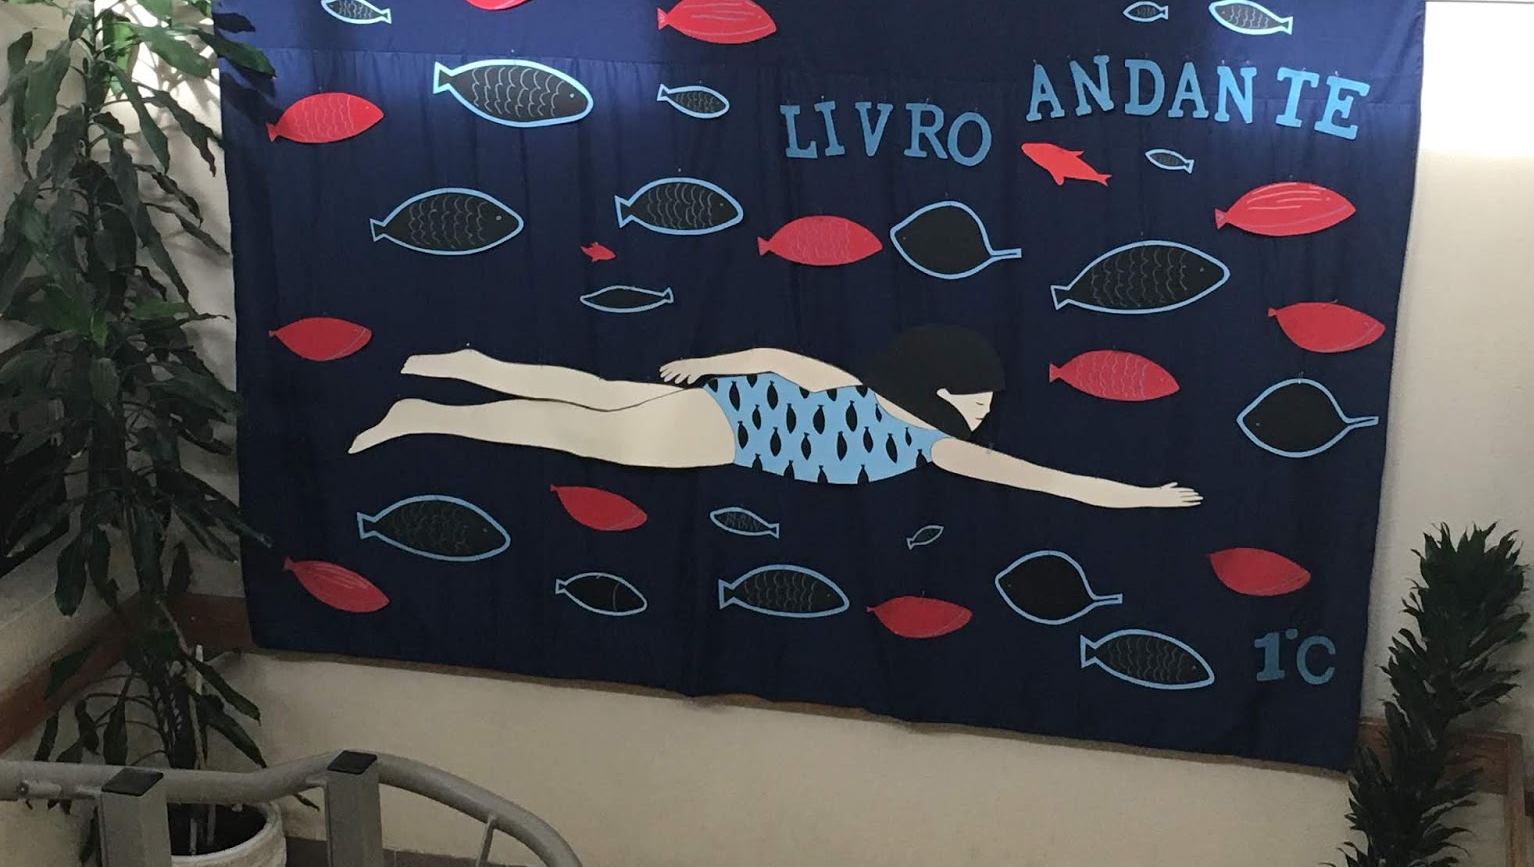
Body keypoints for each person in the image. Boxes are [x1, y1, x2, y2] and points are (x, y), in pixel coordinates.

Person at [349, 324, 1201, 510]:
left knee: (589, 396)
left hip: (721, 418)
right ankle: (432, 407)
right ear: (933, 389)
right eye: (972, 401)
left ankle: (455, 378)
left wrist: (1138, 496)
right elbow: (781, 359)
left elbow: (1043, 479)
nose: (980, 417)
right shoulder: (915, 432)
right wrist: (710, 365)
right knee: (572, 419)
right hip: (720, 428)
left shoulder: (928, 440)